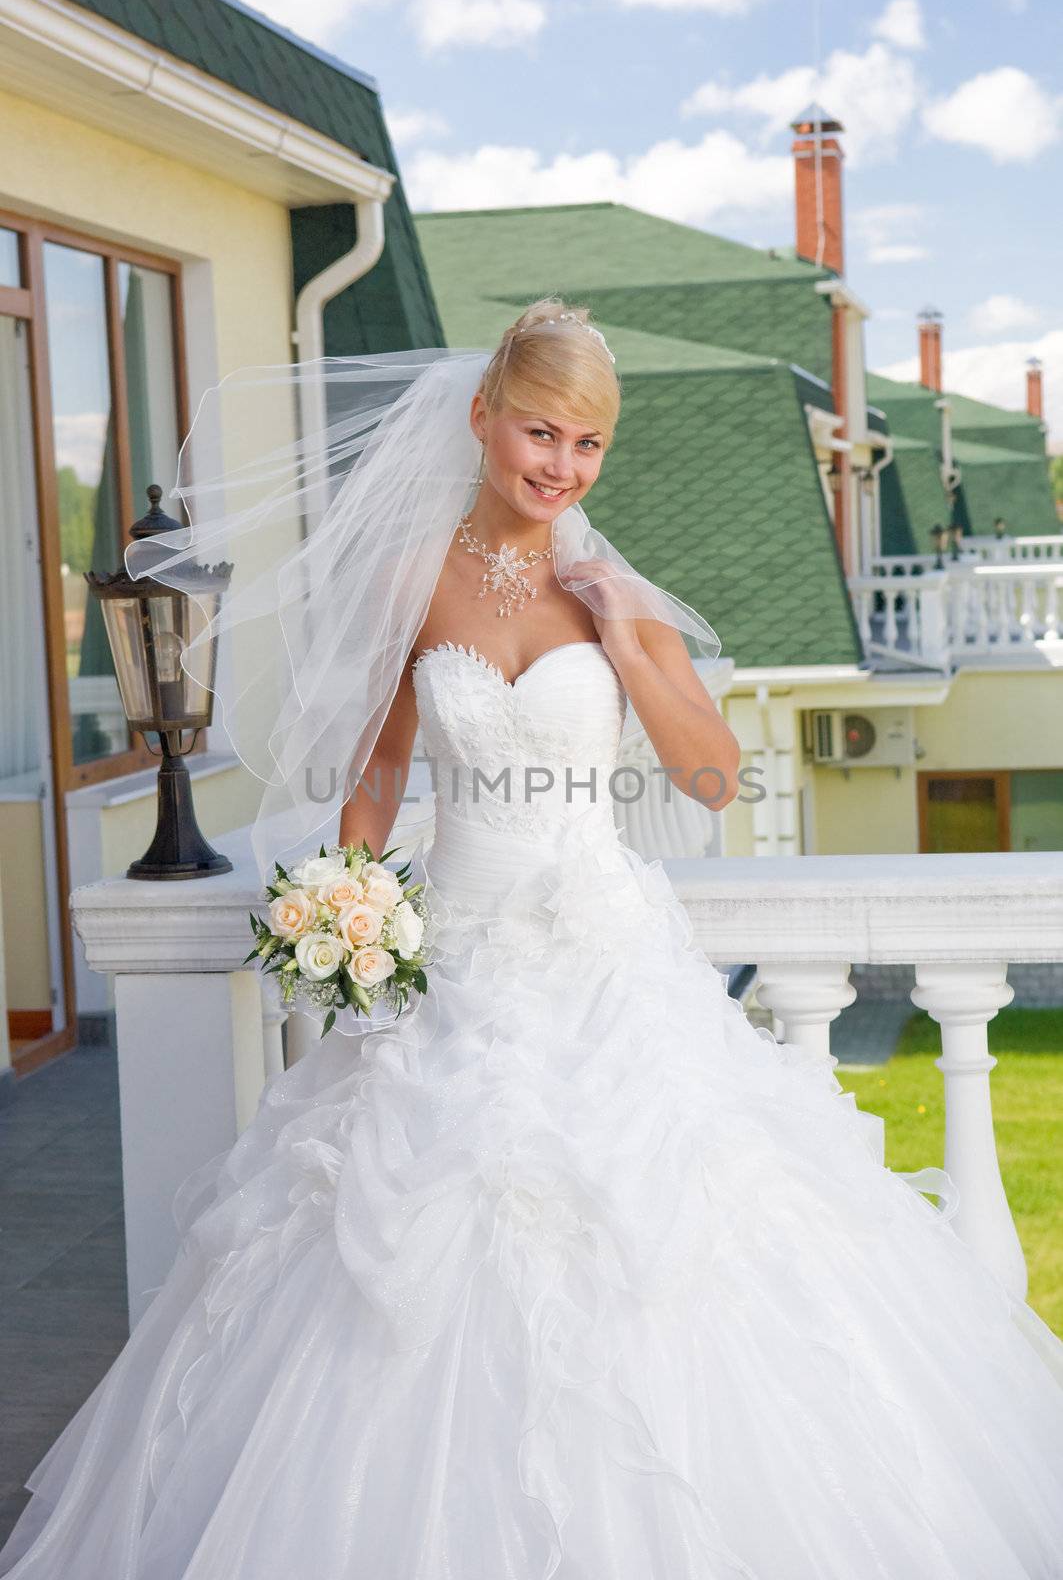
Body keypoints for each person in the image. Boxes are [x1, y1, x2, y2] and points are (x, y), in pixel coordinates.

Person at [3, 299, 1062, 1579]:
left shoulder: (610, 584)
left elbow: (713, 776)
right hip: (453, 958)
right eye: (539, 431)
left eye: (588, 443)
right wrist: (350, 909)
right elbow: (381, 771)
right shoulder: (412, 572)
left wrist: (617, 624)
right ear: (481, 418)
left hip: (607, 959)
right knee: (400, 1252)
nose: (559, 464)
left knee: (660, 1239)